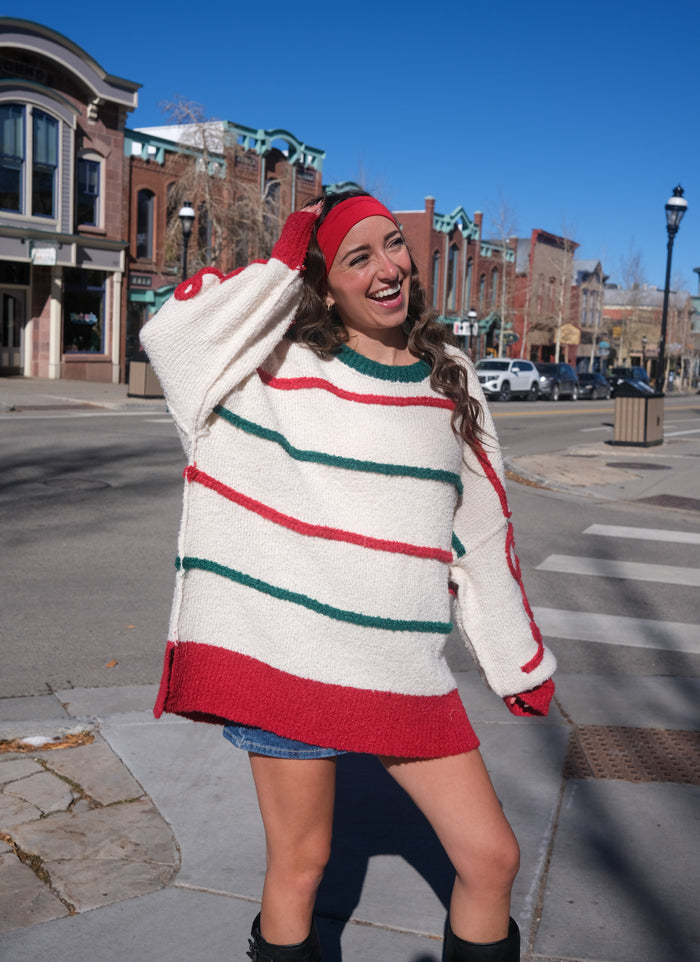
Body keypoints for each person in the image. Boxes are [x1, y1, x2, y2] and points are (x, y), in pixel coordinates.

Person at [141, 189, 556, 962]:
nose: (388, 268)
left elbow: (482, 529)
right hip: (291, 654)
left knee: (491, 859)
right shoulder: (272, 365)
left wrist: (514, 656)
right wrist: (287, 251)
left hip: (402, 669)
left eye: (394, 245)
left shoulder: (450, 376)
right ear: (322, 280)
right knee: (301, 867)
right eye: (357, 258)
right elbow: (174, 341)